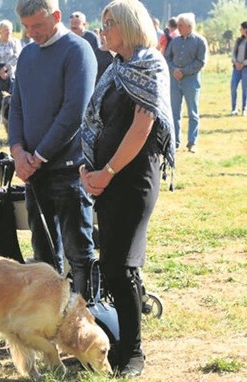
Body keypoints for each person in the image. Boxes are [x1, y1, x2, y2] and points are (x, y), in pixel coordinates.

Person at [80, 0, 175, 376]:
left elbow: (141, 128)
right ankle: (122, 347)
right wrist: (90, 169)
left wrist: (108, 171)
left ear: (128, 26)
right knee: (115, 265)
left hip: (133, 180)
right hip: (107, 179)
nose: (102, 30)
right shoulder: (117, 68)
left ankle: (133, 354)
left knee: (122, 267)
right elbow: (98, 122)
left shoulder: (148, 64)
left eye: (108, 24)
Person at [9, 0, 96, 297]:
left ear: (56, 16)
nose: (32, 33)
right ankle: (48, 317)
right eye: (26, 27)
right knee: (43, 252)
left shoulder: (78, 50)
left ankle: (85, 315)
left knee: (78, 251)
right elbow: (16, 105)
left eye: (38, 26)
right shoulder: (28, 54)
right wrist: (18, 150)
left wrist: (38, 156)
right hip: (34, 171)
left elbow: (74, 111)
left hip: (68, 169)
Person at [165, 12, 207, 153]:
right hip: (175, 81)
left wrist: (183, 71)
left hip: (191, 81)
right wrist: (173, 70)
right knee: (174, 112)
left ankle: (192, 142)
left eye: (181, 25)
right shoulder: (175, 41)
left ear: (189, 26)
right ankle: (175, 142)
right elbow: (167, 58)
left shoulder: (200, 41)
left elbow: (200, 62)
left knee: (192, 113)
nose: (178, 27)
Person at [0, 19, 22, 140]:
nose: (8, 32)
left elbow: (17, 56)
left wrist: (6, 68)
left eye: (10, 30)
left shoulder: (15, 42)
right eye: (5, 30)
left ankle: (14, 131)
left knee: (14, 103)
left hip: (10, 75)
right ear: (0, 31)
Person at [69, 11, 113, 82]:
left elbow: (97, 56)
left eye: (76, 23)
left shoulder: (91, 37)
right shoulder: (68, 38)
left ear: (84, 24)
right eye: (72, 24)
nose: (73, 26)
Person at [230, 21, 247, 116]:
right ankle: (234, 109)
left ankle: (244, 109)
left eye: (241, 28)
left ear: (245, 30)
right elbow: (233, 53)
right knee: (233, 86)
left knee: (244, 88)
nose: (240, 30)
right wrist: (235, 62)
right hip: (236, 67)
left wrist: (243, 64)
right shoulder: (238, 40)